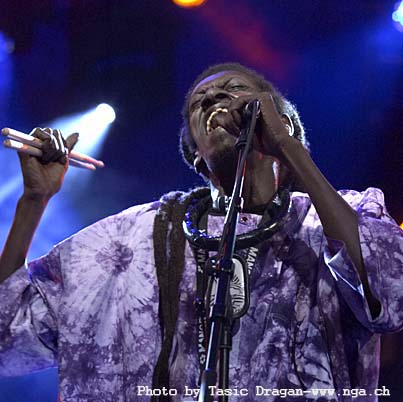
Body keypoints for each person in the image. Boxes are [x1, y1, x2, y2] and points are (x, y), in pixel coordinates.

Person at [0, 62, 402, 402]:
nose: (213, 99)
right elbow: (6, 332)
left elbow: (391, 291)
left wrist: (287, 146)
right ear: (194, 154)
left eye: (235, 90)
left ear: (283, 122)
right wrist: (32, 201)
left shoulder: (344, 216)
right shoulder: (127, 241)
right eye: (199, 102)